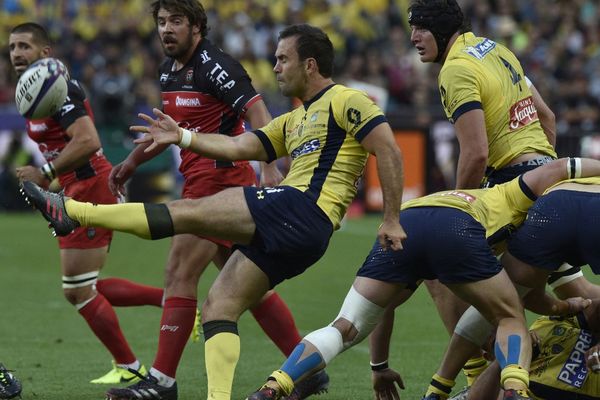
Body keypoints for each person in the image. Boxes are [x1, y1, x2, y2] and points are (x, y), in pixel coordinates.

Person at [20, 23, 405, 400]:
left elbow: (387, 149)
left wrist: (390, 218)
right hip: (302, 230)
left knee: (186, 214)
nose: (274, 67)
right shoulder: (293, 120)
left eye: (282, 59)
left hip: (302, 208)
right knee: (220, 305)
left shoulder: (346, 99)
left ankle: (74, 211)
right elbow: (239, 147)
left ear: (309, 65)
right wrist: (183, 137)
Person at [102, 2, 323, 400]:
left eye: (176, 22)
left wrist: (269, 162)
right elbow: (174, 131)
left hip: (220, 180)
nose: (166, 30)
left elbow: (257, 111)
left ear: (197, 26)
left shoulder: (216, 65)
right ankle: (305, 365)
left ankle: (162, 383)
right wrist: (133, 161)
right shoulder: (169, 70)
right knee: (247, 286)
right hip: (201, 180)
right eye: (161, 22)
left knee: (178, 272)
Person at [244, 157, 600, 400]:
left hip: (408, 220)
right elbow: (561, 167)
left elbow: (385, 309)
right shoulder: (515, 196)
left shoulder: (487, 196)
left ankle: (276, 384)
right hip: (458, 225)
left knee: (345, 326)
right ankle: (515, 392)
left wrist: (379, 366)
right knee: (508, 316)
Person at [406, 0, 558, 392]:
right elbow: (547, 118)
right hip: (549, 183)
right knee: (565, 291)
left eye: (420, 28)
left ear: (441, 31)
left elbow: (475, 154)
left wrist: (461, 216)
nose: (413, 38)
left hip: (512, 183)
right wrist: (547, 175)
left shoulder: (455, 70)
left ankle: (474, 378)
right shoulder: (496, 49)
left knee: (438, 266)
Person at [8, 22, 165, 384]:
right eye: (13, 46)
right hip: (77, 187)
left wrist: (44, 171)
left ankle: (131, 367)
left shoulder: (61, 90)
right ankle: (171, 302)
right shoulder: (40, 87)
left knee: (78, 288)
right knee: (83, 286)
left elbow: (90, 139)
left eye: (24, 46)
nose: (16, 53)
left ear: (45, 53)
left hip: (90, 185)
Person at [440, 172, 600, 399]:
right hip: (554, 202)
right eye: (492, 347)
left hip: (553, 202)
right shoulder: (521, 363)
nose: (489, 349)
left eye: (490, 344)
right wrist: (503, 364)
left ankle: (438, 389)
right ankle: (438, 389)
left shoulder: (535, 325)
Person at [455, 276, 600, 400]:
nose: (506, 337)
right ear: (489, 356)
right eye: (496, 341)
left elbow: (595, 308)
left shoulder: (547, 325)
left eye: (504, 325)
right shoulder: (517, 387)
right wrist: (503, 360)